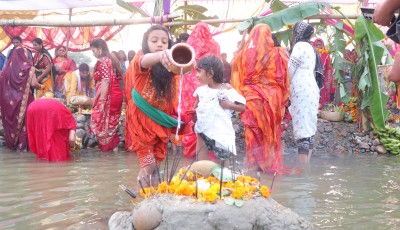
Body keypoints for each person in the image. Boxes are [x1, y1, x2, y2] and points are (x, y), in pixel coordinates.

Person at [124, 25, 180, 188]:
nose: (160, 44)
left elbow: (188, 66)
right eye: (154, 41)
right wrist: (161, 55)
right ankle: (145, 201)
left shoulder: (169, 66)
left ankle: (149, 198)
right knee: (149, 167)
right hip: (141, 121)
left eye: (164, 41)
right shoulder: (140, 59)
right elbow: (145, 60)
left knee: (153, 167)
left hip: (159, 121)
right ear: (145, 43)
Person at [235, 24, 289, 173]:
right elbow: (284, 79)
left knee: (252, 135)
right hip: (271, 102)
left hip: (251, 101)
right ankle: (268, 169)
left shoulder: (244, 55)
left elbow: (236, 73)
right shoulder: (278, 53)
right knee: (269, 134)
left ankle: (253, 171)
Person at [180, 22, 221, 158]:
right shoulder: (215, 44)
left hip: (191, 84)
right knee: (209, 118)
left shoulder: (189, 45)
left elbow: (184, 66)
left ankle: (193, 153)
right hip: (209, 83)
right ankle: (209, 153)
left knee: (192, 116)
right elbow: (218, 65)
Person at [193, 56, 245, 160]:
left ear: (210, 73)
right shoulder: (200, 91)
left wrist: (228, 105)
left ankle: (222, 174)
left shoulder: (226, 89)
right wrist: (193, 113)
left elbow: (243, 107)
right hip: (203, 130)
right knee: (200, 164)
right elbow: (195, 107)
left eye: (199, 72)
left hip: (221, 133)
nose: (196, 75)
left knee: (222, 169)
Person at [288, 22, 321, 163]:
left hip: (301, 88)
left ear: (298, 33)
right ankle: (307, 168)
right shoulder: (311, 48)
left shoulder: (299, 46)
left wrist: (284, 89)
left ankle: (303, 171)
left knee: (302, 130)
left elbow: (290, 69)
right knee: (309, 128)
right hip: (312, 88)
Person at [0, 43, 42, 151]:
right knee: (25, 122)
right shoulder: (29, 69)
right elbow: (33, 84)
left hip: (10, 102)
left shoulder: (5, 71)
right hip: (25, 100)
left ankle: (13, 144)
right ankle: (24, 147)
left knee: (14, 121)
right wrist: (41, 86)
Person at [89, 38, 123, 151]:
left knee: (101, 124)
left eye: (93, 51)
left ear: (99, 49)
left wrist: (102, 100)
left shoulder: (102, 61)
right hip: (116, 94)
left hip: (108, 95)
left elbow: (106, 80)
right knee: (110, 125)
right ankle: (114, 152)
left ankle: (107, 153)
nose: (93, 54)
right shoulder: (113, 60)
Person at [312, 38, 334, 106]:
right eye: (317, 45)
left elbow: (329, 68)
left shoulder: (326, 55)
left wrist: (329, 80)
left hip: (323, 78)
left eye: (320, 45)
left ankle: (321, 109)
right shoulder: (311, 54)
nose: (318, 46)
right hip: (312, 77)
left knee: (323, 93)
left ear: (322, 45)